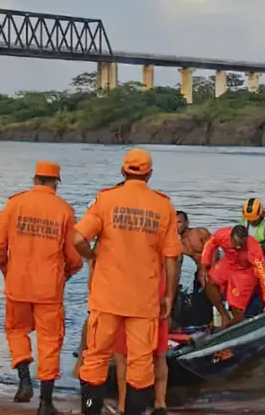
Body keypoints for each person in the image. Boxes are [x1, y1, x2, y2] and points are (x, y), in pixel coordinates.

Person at [73, 148, 182, 415]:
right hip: (144, 301)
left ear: (123, 171)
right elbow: (172, 256)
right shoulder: (163, 205)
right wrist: (168, 295)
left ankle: (90, 410)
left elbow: (77, 239)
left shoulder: (106, 199)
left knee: (95, 359)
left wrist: (93, 255)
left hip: (107, 297)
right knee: (141, 366)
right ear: (150, 174)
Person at [0, 161, 83, 415]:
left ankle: (24, 379)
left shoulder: (14, 204)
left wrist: (8, 270)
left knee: (17, 330)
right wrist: (66, 274)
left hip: (17, 283)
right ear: (56, 183)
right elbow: (74, 258)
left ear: (35, 179)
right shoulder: (64, 210)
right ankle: (45, 403)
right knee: (50, 341)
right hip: (49, 289)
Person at [112, 263, 169, 415]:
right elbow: (171, 263)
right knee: (158, 354)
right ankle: (159, 404)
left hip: (124, 295)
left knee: (123, 356)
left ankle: (123, 405)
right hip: (153, 292)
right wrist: (169, 295)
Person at [200, 225, 265, 328]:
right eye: (236, 243)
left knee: (237, 307)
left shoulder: (254, 249)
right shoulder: (222, 234)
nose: (238, 247)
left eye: (241, 244)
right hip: (229, 262)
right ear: (230, 237)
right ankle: (223, 314)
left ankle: (232, 326)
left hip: (245, 270)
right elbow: (210, 244)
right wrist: (205, 264)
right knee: (210, 281)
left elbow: (263, 275)